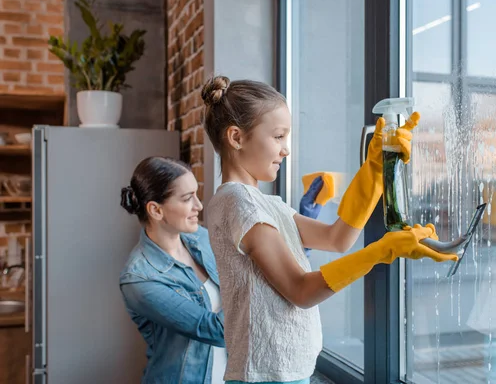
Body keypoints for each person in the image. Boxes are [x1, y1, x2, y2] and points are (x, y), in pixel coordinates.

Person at [201, 76, 457, 384]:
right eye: (279, 136)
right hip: (264, 378)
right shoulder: (237, 203)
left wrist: (374, 169)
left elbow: (337, 239)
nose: (286, 150)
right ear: (236, 137)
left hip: (282, 375)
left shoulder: (266, 204)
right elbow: (300, 290)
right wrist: (381, 251)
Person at [119, 157, 226, 384]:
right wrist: (253, 281)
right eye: (188, 198)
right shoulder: (140, 279)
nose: (199, 205)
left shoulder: (201, 238)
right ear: (156, 210)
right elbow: (218, 330)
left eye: (196, 195)